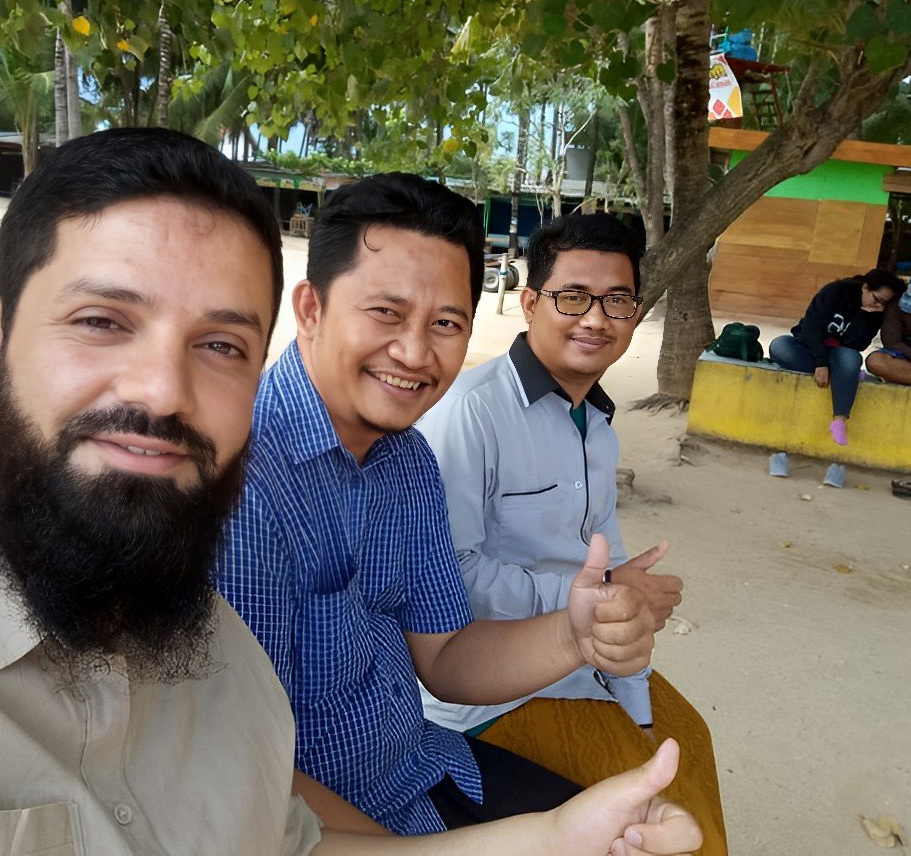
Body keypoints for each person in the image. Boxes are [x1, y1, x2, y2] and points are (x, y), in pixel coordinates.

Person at [0, 130, 701, 856]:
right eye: (101, 320)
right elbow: (269, 788)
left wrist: (575, 638)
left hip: (412, 775)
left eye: (217, 346)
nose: (163, 392)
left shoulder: (382, 481)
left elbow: (438, 662)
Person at [218, 174, 660, 835]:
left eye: (446, 323)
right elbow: (240, 766)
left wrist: (577, 633)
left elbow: (446, 655)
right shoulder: (237, 481)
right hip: (309, 822)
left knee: (646, 832)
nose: (415, 353)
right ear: (310, 308)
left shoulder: (409, 462)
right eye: (385, 312)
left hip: (421, 765)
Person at [416, 213, 683, 735]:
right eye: (574, 297)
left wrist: (625, 610)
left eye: (617, 301)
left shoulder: (597, 422)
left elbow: (606, 552)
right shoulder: (471, 413)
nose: (596, 320)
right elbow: (448, 577)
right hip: (487, 698)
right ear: (531, 303)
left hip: (584, 667)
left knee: (684, 751)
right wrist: (598, 595)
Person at [767, 268, 905, 445]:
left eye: (885, 304)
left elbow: (856, 345)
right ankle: (844, 376)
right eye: (877, 299)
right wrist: (821, 363)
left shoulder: (875, 313)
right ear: (865, 287)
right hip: (810, 348)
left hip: (840, 354)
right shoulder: (836, 291)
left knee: (851, 358)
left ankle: (839, 420)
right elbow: (811, 328)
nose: (879, 306)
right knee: (780, 346)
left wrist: (865, 316)